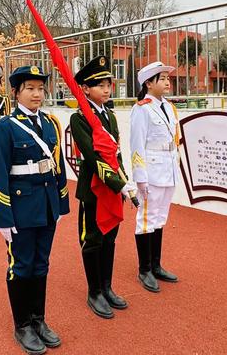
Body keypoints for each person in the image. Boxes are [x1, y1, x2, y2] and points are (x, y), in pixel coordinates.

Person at [0, 65, 69, 354]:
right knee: (21, 266)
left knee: (41, 264)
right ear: (16, 92)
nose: (37, 94)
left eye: (40, 88)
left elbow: (57, 166)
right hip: (20, 208)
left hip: (46, 206)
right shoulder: (6, 126)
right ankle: (22, 324)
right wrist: (3, 216)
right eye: (30, 89)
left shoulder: (50, 124)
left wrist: (60, 205)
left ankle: (39, 320)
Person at [70, 55, 133, 319]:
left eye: (109, 84)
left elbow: (115, 154)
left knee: (110, 238)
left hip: (112, 187)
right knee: (93, 240)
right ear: (85, 88)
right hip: (94, 187)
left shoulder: (111, 116)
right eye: (100, 85)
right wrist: (120, 185)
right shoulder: (80, 118)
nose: (107, 89)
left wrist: (124, 180)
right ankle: (94, 291)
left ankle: (107, 287)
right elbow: (94, 157)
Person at [129, 61, 180, 293]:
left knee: (160, 218)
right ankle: (145, 269)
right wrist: (140, 177)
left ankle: (156, 265)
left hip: (168, 168)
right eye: (162, 78)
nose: (167, 81)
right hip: (151, 171)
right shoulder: (141, 109)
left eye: (168, 78)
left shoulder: (168, 107)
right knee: (146, 219)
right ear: (149, 83)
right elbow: (137, 146)